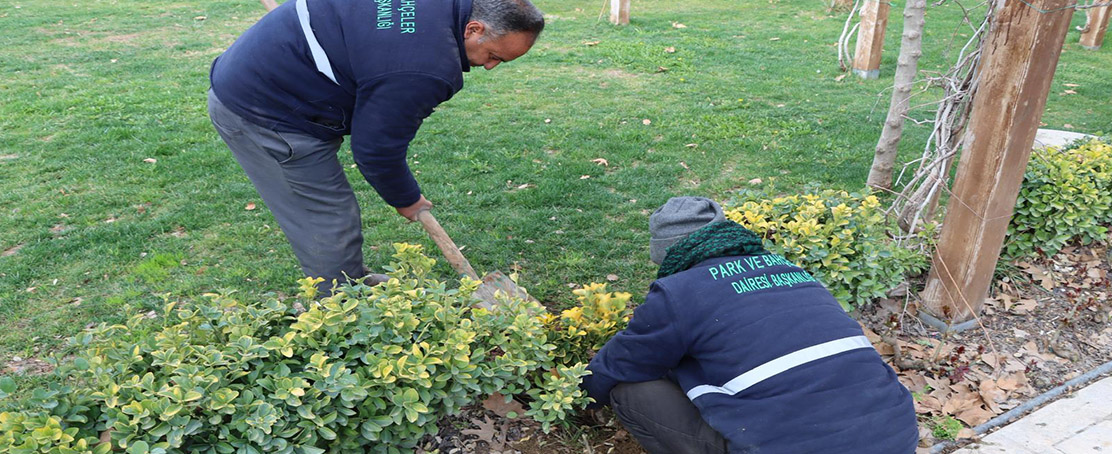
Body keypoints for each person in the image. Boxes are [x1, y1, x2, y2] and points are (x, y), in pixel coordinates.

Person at [207, 0, 544, 290]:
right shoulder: (425, 67)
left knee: (333, 211)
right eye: (493, 55)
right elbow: (376, 149)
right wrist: (407, 199)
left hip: (271, 70)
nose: (489, 66)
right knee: (327, 216)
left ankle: (348, 279)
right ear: (473, 29)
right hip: (264, 110)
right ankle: (336, 308)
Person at [581, 197, 919, 454]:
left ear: (667, 255)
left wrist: (578, 399)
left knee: (631, 391)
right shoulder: (794, 272)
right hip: (895, 436)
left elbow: (623, 363)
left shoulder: (679, 291)